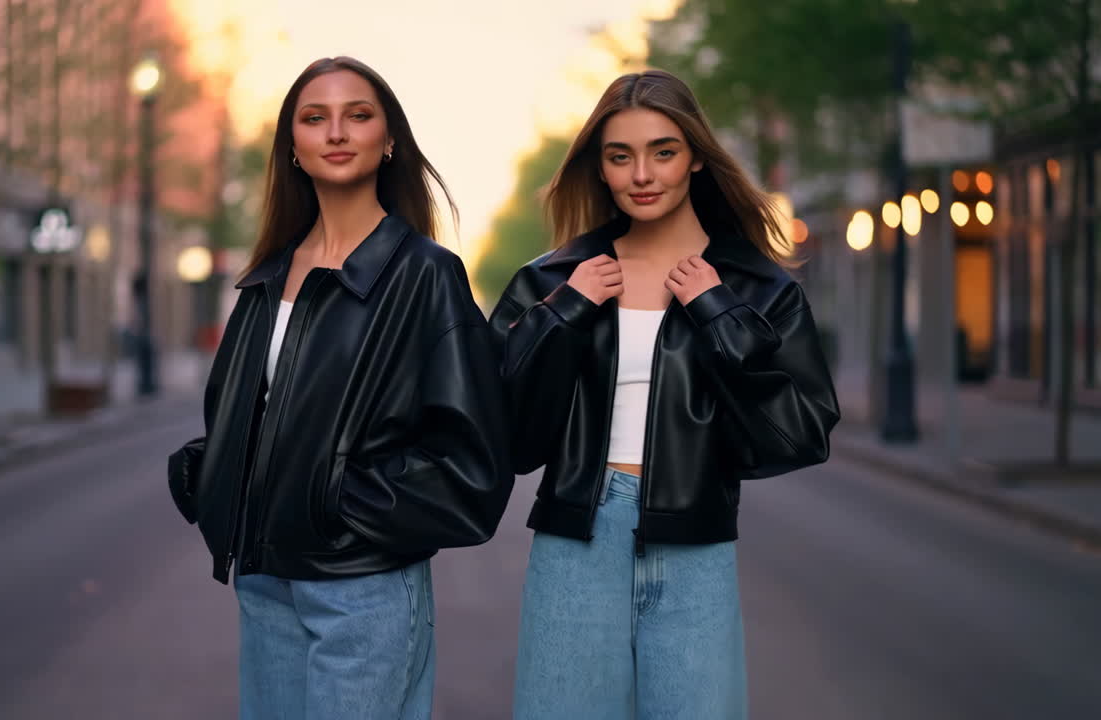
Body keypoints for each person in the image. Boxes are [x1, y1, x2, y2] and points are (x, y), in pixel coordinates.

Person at [168, 56, 513, 720]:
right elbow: (250, 416)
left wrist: (342, 502)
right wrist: (212, 474)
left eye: (358, 115)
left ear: (388, 142)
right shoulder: (266, 278)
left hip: (364, 583)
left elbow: (473, 458)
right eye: (314, 117)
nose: (336, 132)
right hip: (264, 578)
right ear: (292, 148)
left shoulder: (425, 275)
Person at [490, 70, 840, 719]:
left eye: (663, 151)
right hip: (574, 543)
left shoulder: (754, 287)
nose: (642, 174)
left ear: (697, 158)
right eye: (620, 156)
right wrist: (564, 313)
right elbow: (504, 434)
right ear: (600, 168)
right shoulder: (552, 279)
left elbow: (801, 433)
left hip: (696, 546)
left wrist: (715, 311)